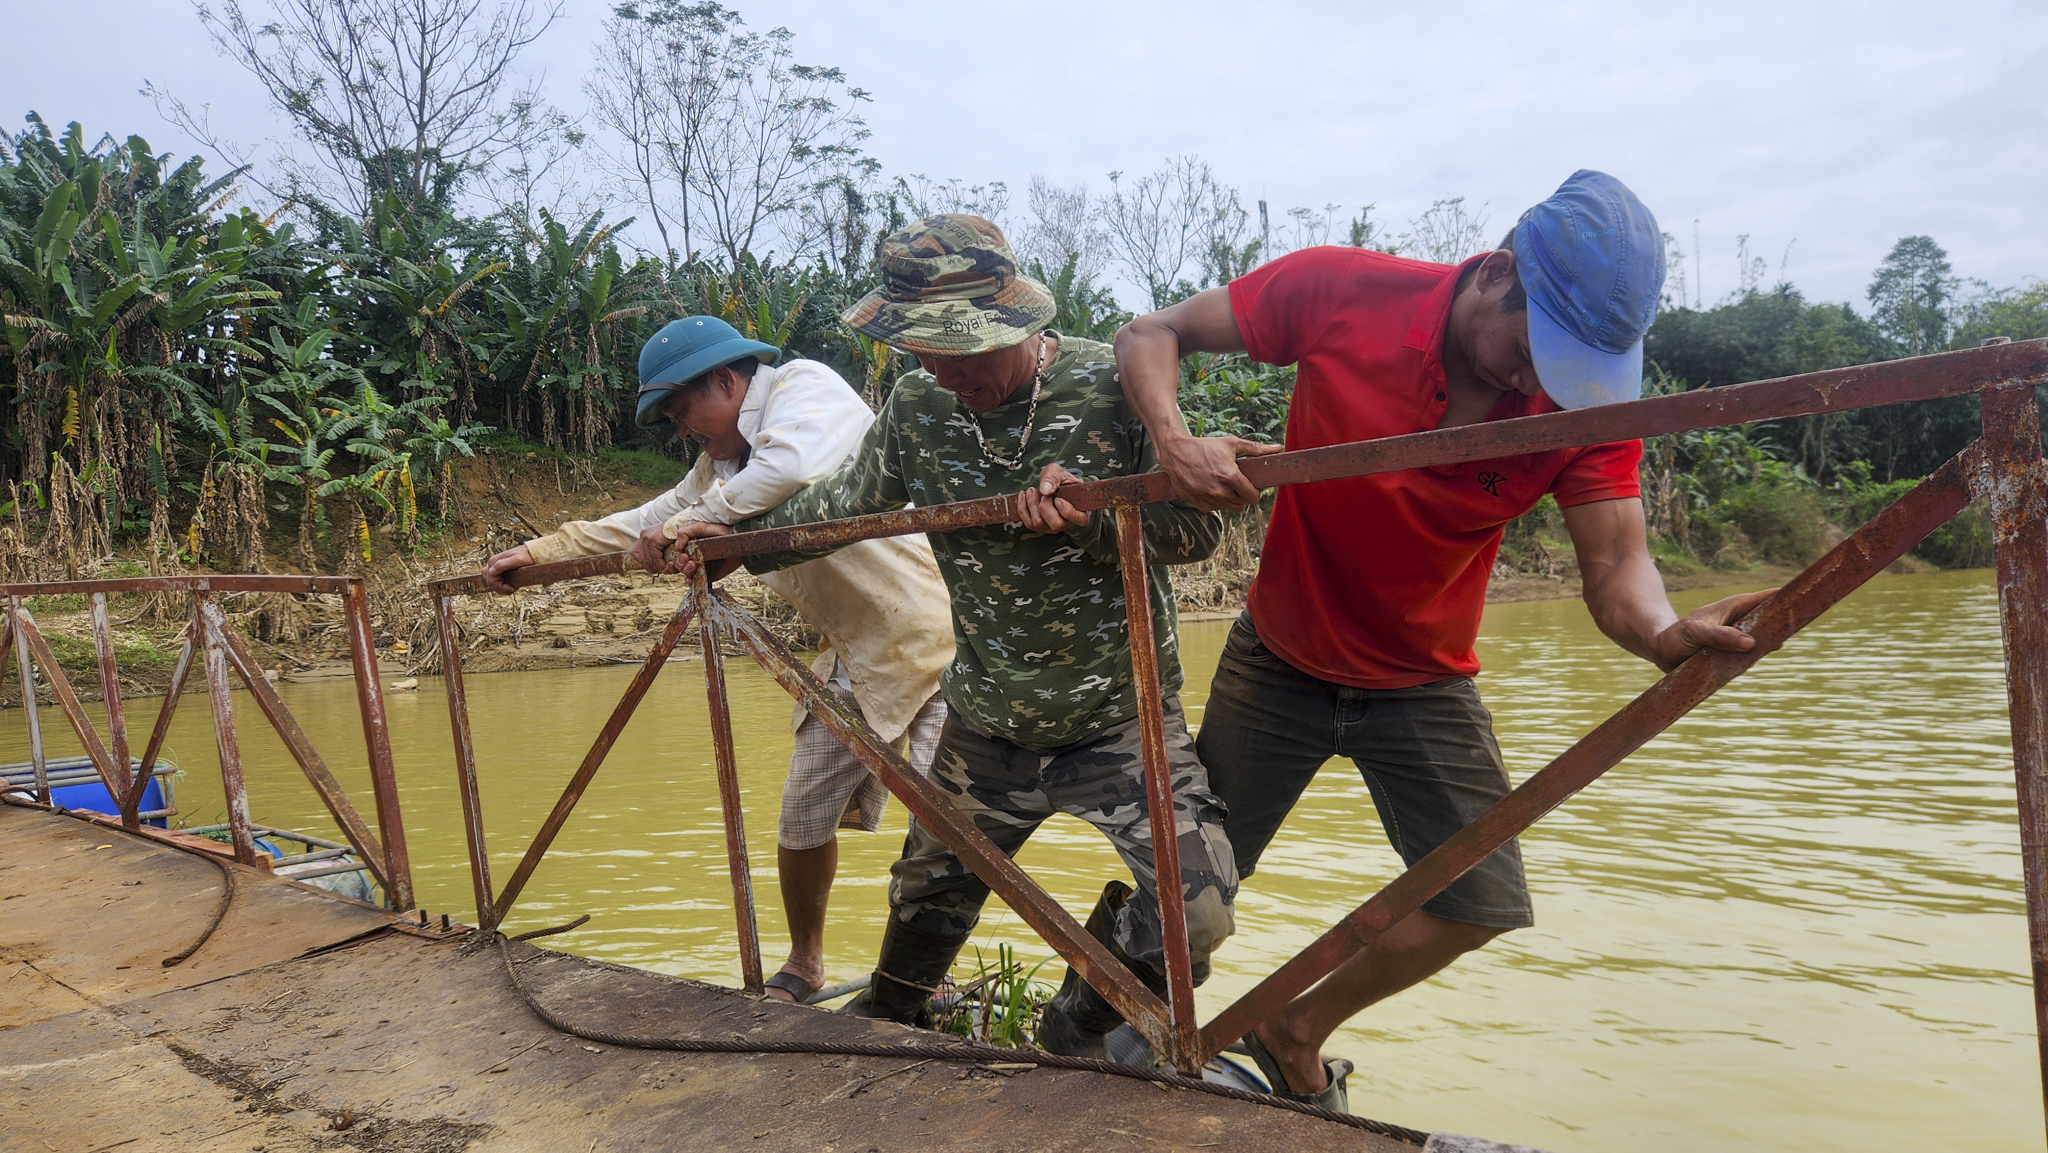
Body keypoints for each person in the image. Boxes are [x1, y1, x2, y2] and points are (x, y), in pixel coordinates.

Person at [1113, 170, 1774, 1108]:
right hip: (1281, 658)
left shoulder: (1577, 411)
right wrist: (1176, 441)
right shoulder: (1344, 288)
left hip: (1423, 679)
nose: (1542, 383)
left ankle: (1291, 1025)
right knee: (1190, 884)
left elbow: (1617, 562)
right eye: (1534, 348)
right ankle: (1097, 1018)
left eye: (1570, 369)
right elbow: (1150, 332)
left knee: (1481, 899)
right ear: (1497, 273)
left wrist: (1667, 633)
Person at [664, 215, 1239, 1061]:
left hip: (1118, 718)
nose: (941, 369)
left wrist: (1092, 516)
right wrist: (726, 544)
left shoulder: (1105, 385)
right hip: (987, 721)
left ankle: (1077, 1024)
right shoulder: (920, 404)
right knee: (925, 896)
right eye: (923, 350)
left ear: (1018, 321)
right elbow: (844, 506)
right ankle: (893, 1024)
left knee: (1197, 910)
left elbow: (1195, 537)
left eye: (958, 349)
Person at [479, 315, 957, 1006]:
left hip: (937, 638)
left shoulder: (804, 389)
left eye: (682, 409)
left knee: (942, 824)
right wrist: (547, 549)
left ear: (729, 380)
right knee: (801, 816)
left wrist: (688, 526)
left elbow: (789, 468)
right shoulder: (719, 471)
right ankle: (805, 963)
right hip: (855, 651)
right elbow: (653, 516)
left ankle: (920, 976)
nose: (682, 428)